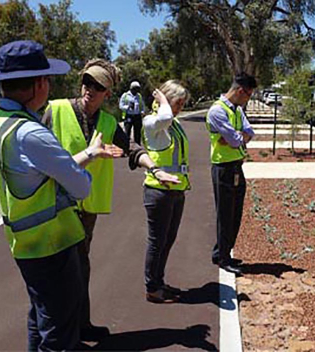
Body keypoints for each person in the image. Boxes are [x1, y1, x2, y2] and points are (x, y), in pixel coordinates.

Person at [42, 60, 179, 341]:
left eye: (98, 86)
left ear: (108, 93)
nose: (90, 89)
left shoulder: (106, 122)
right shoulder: (55, 110)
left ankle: (81, 325)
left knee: (81, 267)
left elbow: (132, 148)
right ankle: (62, 334)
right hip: (53, 205)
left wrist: (154, 168)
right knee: (58, 271)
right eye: (87, 83)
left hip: (85, 209)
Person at [0, 40, 111, 350]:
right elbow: (81, 187)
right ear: (38, 83)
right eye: (47, 78)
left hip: (23, 242)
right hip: (52, 244)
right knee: (60, 333)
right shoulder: (32, 134)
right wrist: (85, 165)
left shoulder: (4, 123)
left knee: (40, 317)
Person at [142, 80, 190, 303]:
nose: (179, 107)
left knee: (168, 239)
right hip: (158, 190)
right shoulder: (152, 121)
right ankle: (152, 287)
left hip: (176, 189)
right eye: (176, 102)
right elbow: (164, 117)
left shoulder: (174, 124)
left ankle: (159, 281)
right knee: (157, 241)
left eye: (182, 103)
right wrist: (161, 100)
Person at [206, 72, 257, 276]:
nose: (248, 100)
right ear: (239, 91)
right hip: (223, 168)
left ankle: (222, 252)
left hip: (236, 165)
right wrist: (237, 138)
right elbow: (237, 139)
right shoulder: (217, 111)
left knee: (235, 214)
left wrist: (237, 138)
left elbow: (248, 132)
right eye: (248, 95)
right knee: (225, 214)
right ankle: (223, 258)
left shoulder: (236, 110)